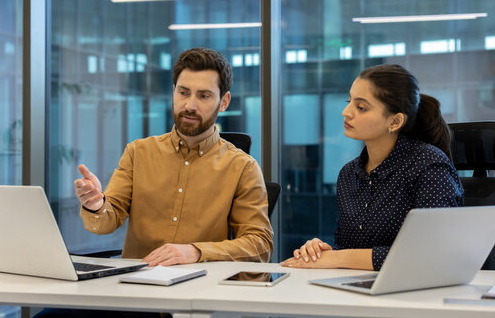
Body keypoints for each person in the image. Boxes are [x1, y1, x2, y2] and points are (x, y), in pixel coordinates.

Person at [35, 48, 272, 317]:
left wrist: (196, 251)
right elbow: (105, 221)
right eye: (183, 92)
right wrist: (96, 204)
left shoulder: (242, 166)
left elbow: (259, 243)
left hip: (195, 295)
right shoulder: (138, 152)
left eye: (204, 96)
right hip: (132, 292)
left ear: (224, 101)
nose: (190, 105)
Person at [281, 64, 464, 271]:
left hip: (416, 293)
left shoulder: (428, 164)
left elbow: (431, 252)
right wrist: (322, 252)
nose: (346, 112)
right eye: (348, 101)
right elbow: (347, 250)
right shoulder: (349, 174)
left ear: (395, 121)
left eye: (361, 107)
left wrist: (338, 258)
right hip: (358, 291)